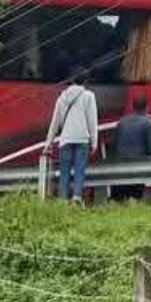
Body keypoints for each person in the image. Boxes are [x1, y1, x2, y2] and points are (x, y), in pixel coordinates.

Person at [44, 68, 99, 203]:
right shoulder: (88, 96)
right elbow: (92, 121)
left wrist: (48, 144)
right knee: (79, 170)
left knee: (65, 171)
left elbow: (54, 123)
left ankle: (62, 199)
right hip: (82, 139)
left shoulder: (61, 98)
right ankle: (76, 198)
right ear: (85, 81)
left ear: (71, 80)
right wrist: (94, 142)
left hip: (66, 139)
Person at [110, 93, 151, 201]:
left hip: (120, 167)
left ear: (132, 107)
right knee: (134, 197)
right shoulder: (148, 123)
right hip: (138, 167)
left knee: (118, 199)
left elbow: (112, 143)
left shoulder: (122, 121)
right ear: (147, 107)